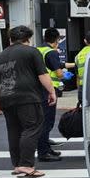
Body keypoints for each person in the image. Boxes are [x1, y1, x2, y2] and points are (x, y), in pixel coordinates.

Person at [0, 26, 57, 178]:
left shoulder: (1, 55)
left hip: (7, 98)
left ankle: (18, 165)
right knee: (32, 128)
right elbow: (43, 74)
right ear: (28, 39)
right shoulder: (32, 51)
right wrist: (52, 91)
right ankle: (26, 165)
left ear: (10, 39)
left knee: (14, 131)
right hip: (28, 97)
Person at [36, 28, 68, 162]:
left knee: (42, 121)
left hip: (38, 89)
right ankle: (43, 152)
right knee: (47, 123)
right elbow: (59, 73)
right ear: (57, 40)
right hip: (49, 90)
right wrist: (65, 74)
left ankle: (46, 149)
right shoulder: (51, 52)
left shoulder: (38, 50)